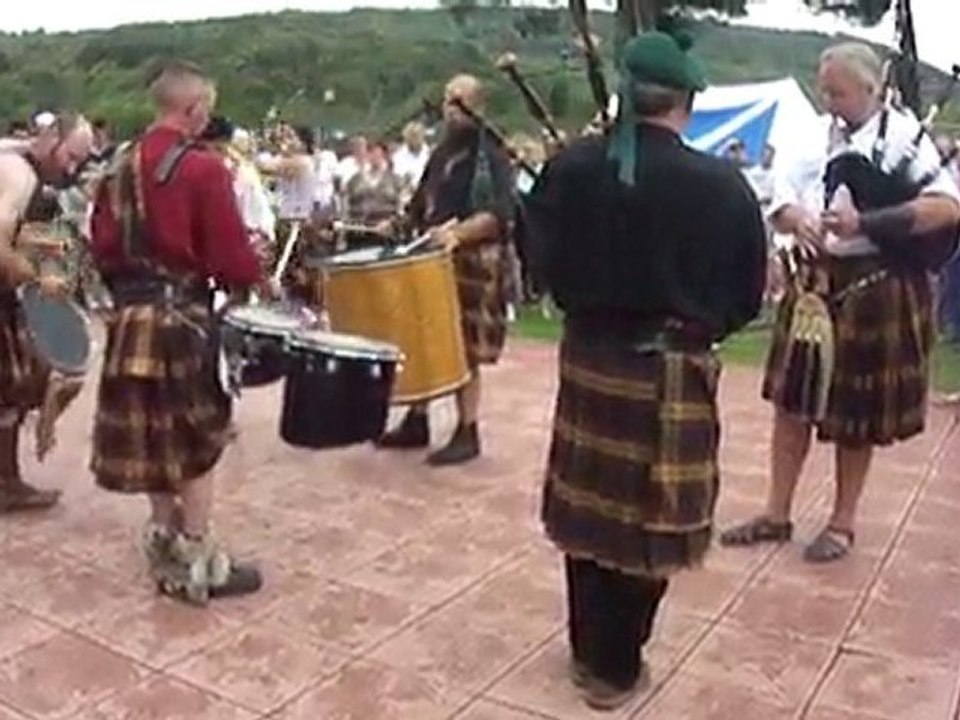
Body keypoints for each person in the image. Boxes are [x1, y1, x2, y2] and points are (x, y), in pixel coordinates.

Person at [527, 33, 766, 710]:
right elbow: (746, 295)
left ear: (625, 96)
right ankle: (615, 665)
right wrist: (701, 329)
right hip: (669, 368)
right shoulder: (722, 185)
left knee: (587, 514)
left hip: (588, 359)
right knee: (649, 523)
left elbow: (536, 255)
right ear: (686, 102)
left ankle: (587, 650)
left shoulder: (570, 167)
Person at [720, 42, 960, 561]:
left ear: (872, 90)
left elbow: (945, 209)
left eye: (839, 92)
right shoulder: (809, 133)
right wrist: (793, 219)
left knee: (856, 413)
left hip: (876, 283)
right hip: (813, 284)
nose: (828, 100)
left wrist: (865, 224)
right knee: (791, 405)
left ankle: (842, 523)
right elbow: (781, 199)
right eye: (824, 89)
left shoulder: (905, 137)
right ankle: (776, 513)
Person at [89, 61, 270, 604]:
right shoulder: (203, 168)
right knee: (197, 439)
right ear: (193, 109)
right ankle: (198, 562)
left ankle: (166, 544)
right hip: (182, 321)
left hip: (131, 318)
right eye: (206, 109)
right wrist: (251, 272)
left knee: (149, 438)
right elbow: (231, 259)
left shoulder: (117, 166)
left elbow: (100, 247)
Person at [377, 74, 516, 465]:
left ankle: (467, 430)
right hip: (435, 258)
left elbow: (501, 213)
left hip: (476, 261)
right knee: (425, 337)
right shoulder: (442, 153)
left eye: (458, 103)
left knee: (465, 348)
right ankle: (417, 420)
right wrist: (400, 224)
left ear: (478, 107)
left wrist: (458, 233)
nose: (449, 110)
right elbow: (424, 200)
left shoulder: (491, 152)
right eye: (447, 102)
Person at [0, 112, 94, 514]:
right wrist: (38, 276)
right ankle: (5, 485)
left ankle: (6, 481)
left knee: (10, 388)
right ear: (51, 137)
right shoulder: (19, 174)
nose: (70, 169)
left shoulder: (22, 165)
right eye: (69, 156)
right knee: (11, 385)